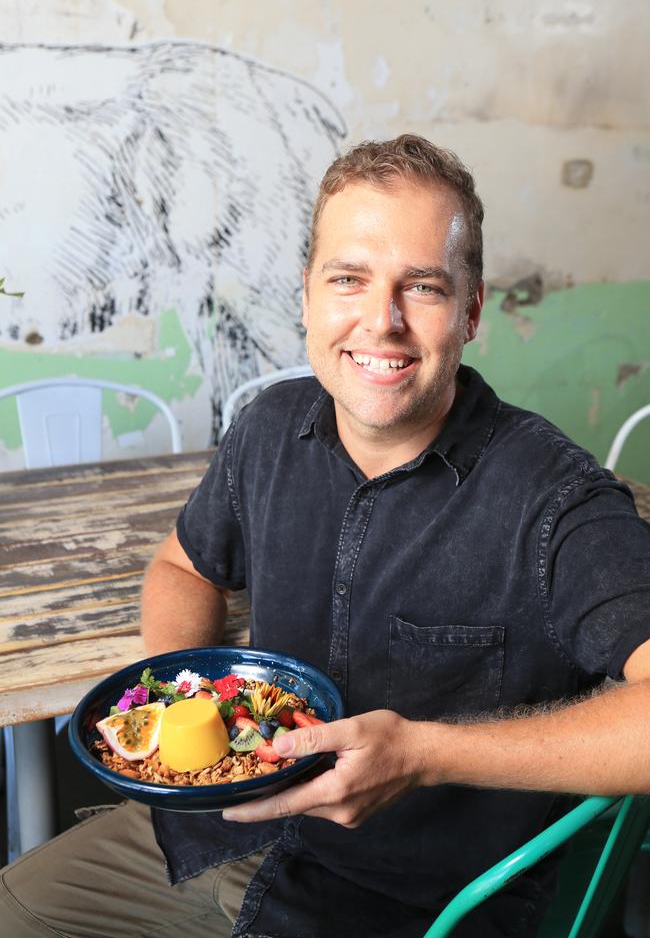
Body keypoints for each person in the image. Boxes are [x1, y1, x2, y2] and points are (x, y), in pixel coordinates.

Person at [2, 134, 649, 938]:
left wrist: (425, 753)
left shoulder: (555, 497)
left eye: (423, 287)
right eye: (349, 279)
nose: (382, 322)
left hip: (415, 902)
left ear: (472, 311)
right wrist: (180, 704)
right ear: (307, 297)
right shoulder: (267, 430)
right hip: (225, 829)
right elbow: (184, 566)